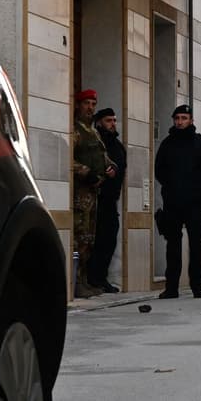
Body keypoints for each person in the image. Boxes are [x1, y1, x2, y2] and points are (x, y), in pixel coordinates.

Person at [154, 104, 201, 298]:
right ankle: (171, 287)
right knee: (172, 245)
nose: (180, 122)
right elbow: (160, 170)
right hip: (173, 203)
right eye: (177, 118)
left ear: (191, 120)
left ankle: (197, 286)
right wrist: (172, 186)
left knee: (196, 244)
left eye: (184, 118)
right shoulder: (167, 144)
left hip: (195, 203)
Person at [72, 89, 115, 297]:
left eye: (92, 104)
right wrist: (85, 172)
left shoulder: (94, 132)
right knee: (79, 237)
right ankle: (76, 282)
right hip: (80, 193)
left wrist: (110, 167)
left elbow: (102, 156)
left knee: (89, 239)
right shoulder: (76, 131)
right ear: (78, 105)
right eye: (86, 103)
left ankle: (84, 280)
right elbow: (68, 159)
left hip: (93, 193)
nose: (90, 108)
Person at [86, 107, 126, 293]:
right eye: (108, 120)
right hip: (94, 197)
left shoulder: (116, 145)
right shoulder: (95, 141)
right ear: (100, 122)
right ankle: (91, 278)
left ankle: (100, 278)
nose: (112, 124)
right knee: (93, 240)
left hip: (110, 198)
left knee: (109, 238)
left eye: (114, 120)